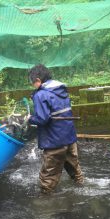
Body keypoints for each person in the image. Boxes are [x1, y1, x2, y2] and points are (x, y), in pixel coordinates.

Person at [28, 64, 84, 194]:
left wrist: (29, 118)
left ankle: (47, 207)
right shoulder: (61, 90)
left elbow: (42, 119)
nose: (32, 86)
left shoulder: (41, 94)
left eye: (32, 83)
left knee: (48, 178)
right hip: (70, 139)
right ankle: (82, 190)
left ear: (37, 80)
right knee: (75, 171)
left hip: (54, 143)